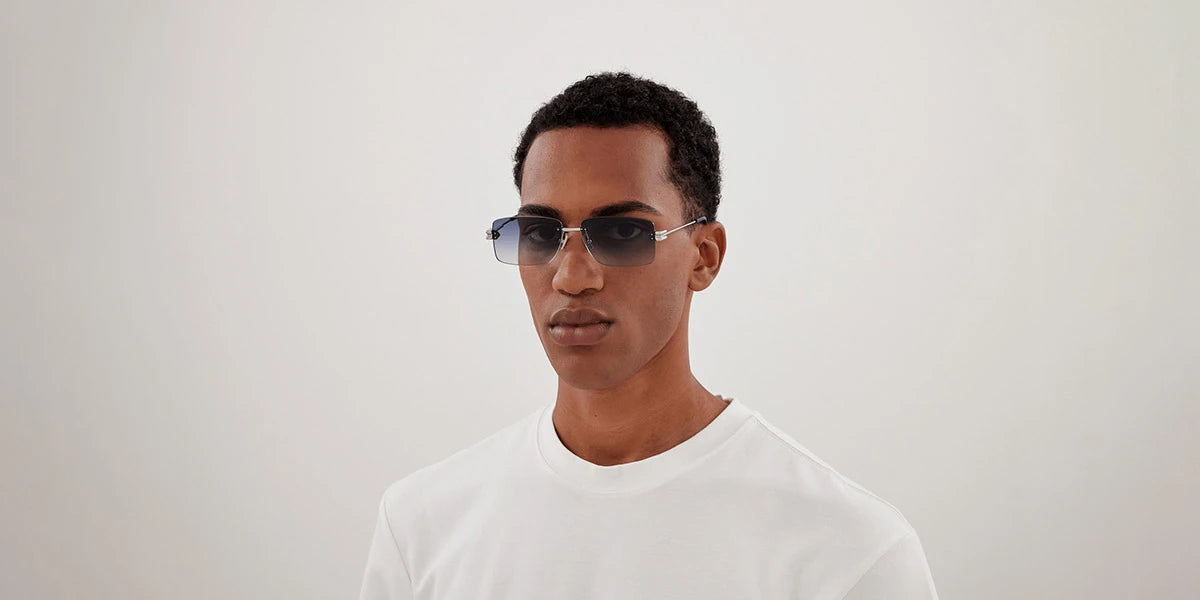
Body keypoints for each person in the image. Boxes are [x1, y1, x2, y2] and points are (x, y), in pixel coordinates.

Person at [358, 71, 939, 599]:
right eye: (539, 234)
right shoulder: (421, 528)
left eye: (621, 234)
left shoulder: (848, 553)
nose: (571, 277)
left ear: (704, 256)